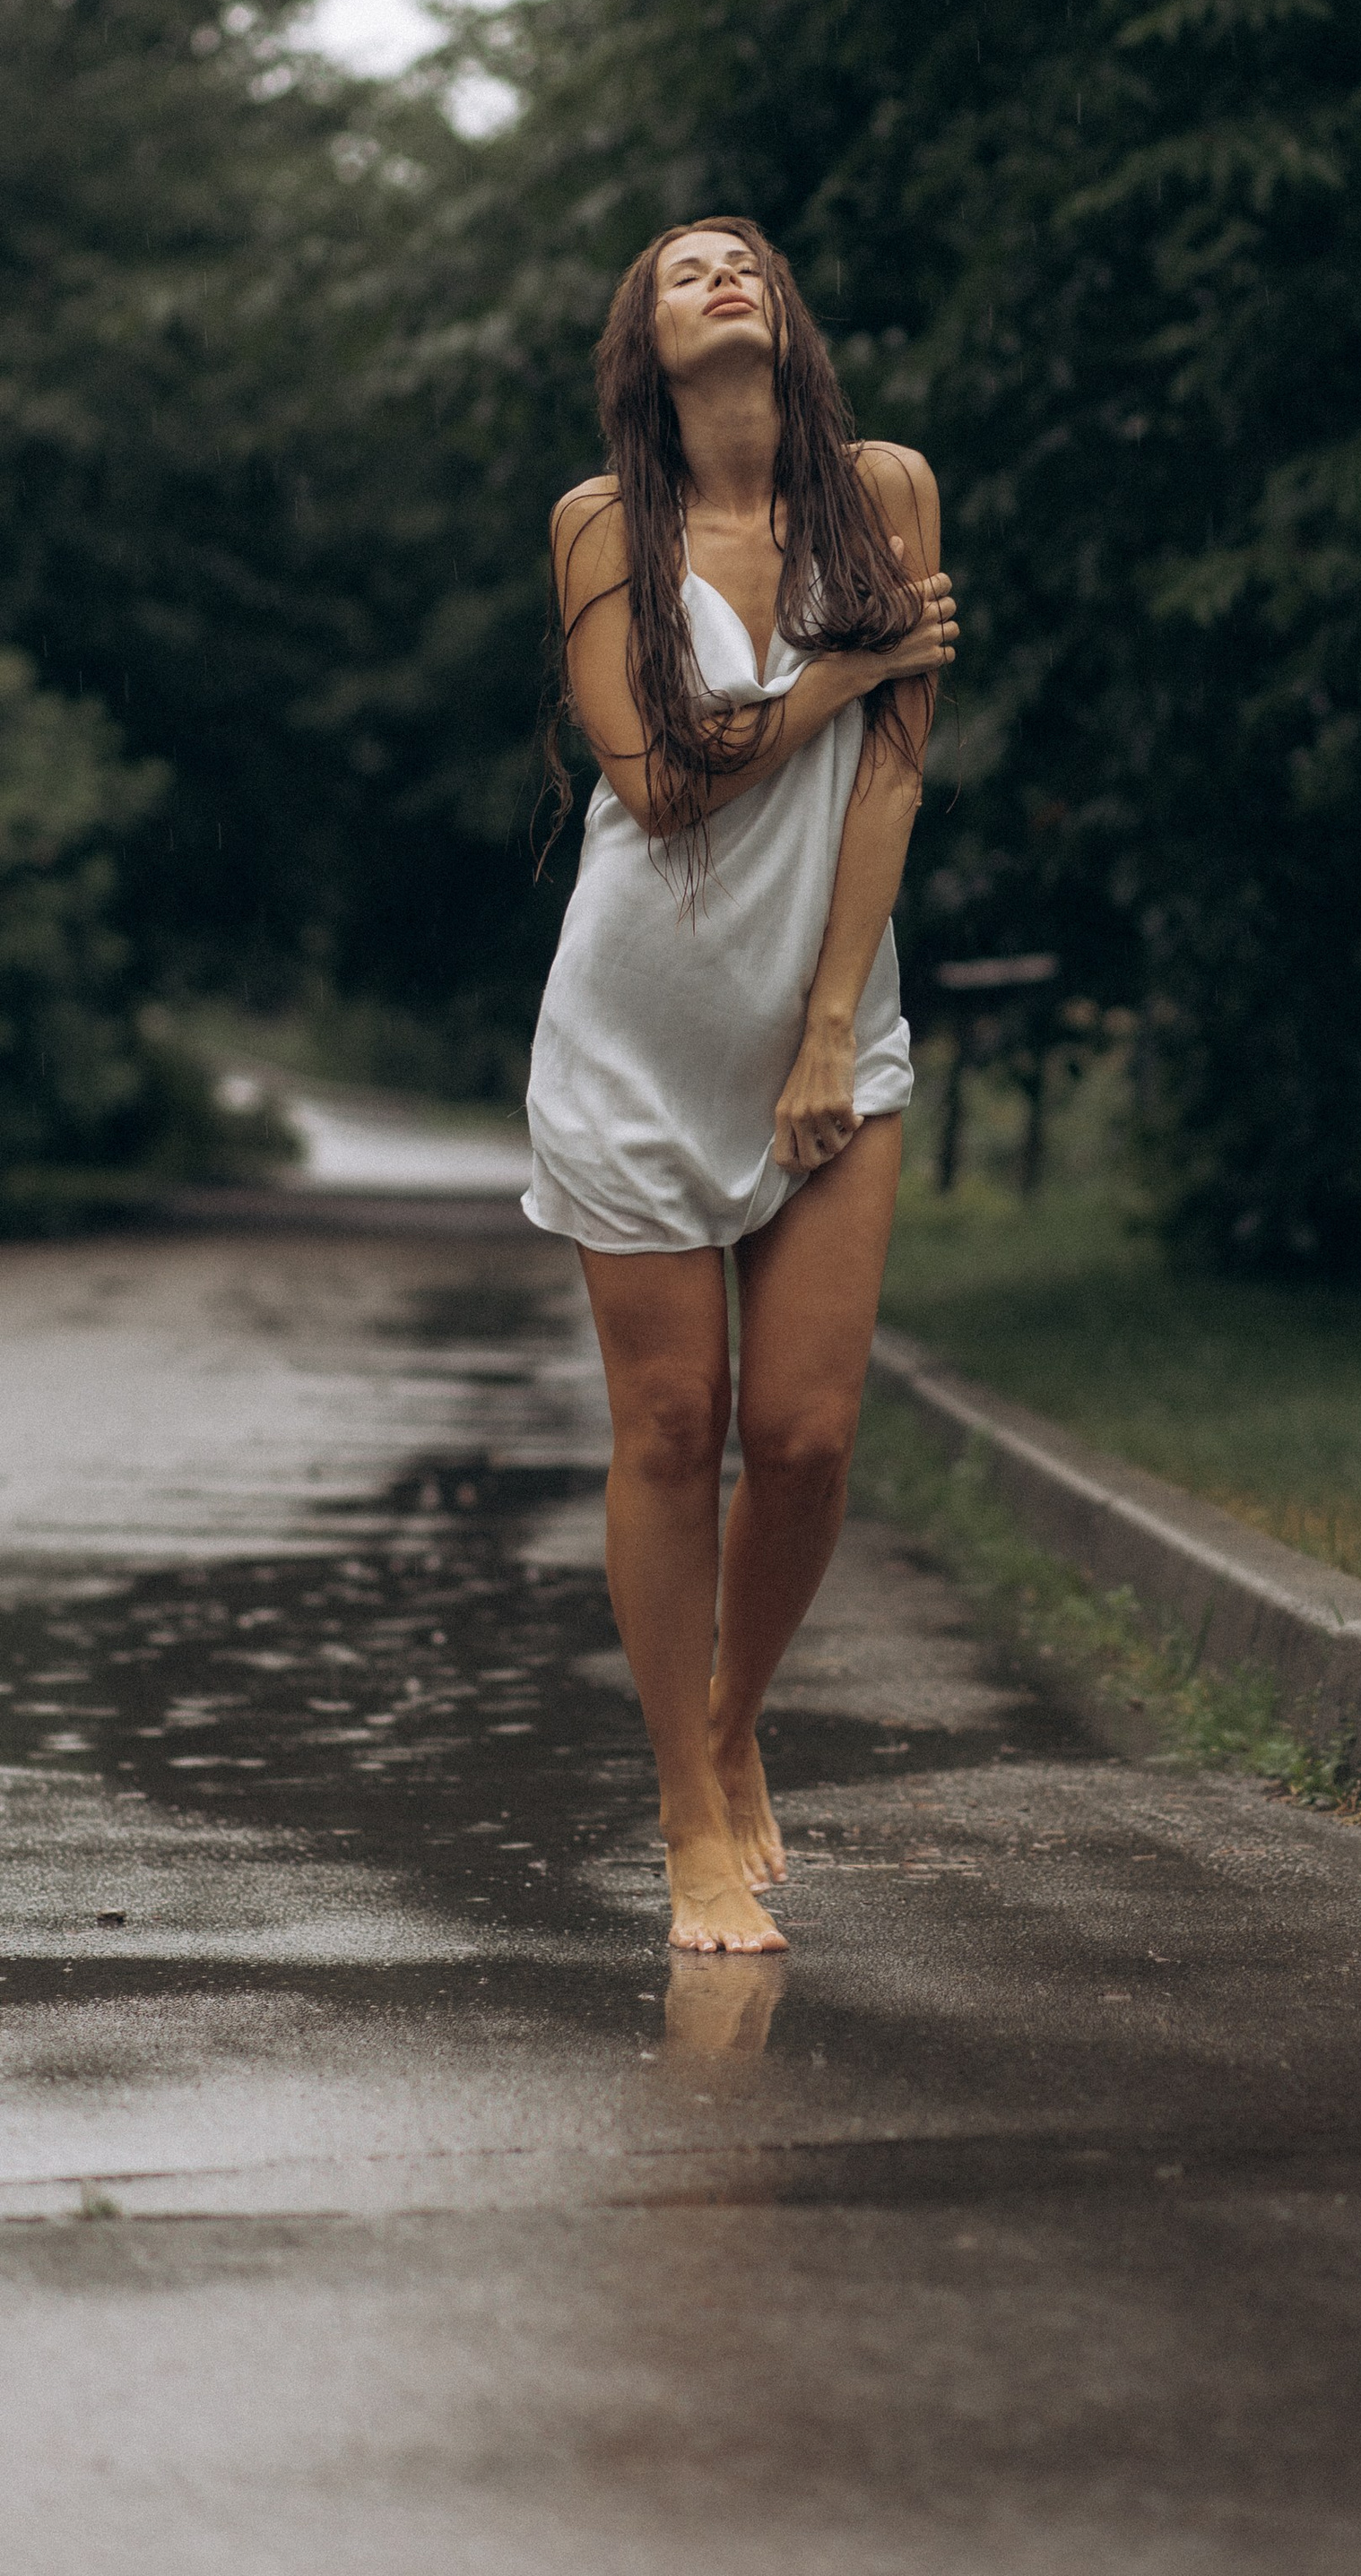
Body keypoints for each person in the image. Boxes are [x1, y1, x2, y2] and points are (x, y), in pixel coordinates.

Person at [524, 215, 957, 1954]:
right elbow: (658, 780)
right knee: (671, 1428)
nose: (721, 271)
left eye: (746, 257)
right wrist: (851, 668)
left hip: (826, 1025)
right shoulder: (599, 526)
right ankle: (690, 1819)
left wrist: (831, 1024)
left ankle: (730, 1719)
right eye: (678, 265)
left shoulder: (884, 493)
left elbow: (892, 785)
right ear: (640, 337)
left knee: (802, 1437)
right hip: (631, 1034)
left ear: (785, 313)